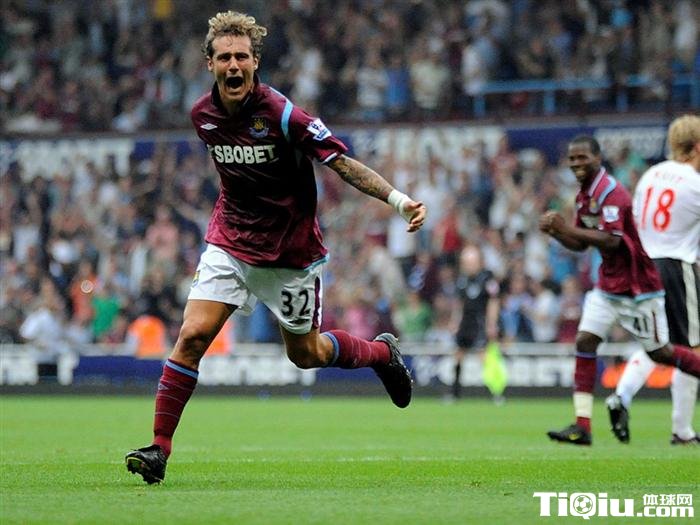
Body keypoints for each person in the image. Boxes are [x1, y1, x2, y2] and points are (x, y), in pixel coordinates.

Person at [125, 10, 427, 484]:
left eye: (242, 56)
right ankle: (159, 449)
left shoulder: (284, 114)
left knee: (306, 354)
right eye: (225, 57)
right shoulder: (202, 116)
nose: (234, 65)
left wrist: (398, 200)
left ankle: (380, 354)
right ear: (210, 64)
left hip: (290, 254)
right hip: (229, 242)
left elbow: (341, 162)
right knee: (192, 337)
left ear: (255, 61)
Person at [538, 135, 700, 446]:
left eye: (582, 157)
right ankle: (582, 426)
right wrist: (557, 233)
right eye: (572, 159)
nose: (576, 164)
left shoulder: (612, 192)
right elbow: (582, 243)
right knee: (585, 341)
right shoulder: (585, 195)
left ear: (598, 159)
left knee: (661, 352)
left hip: (638, 288)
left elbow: (612, 240)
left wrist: (565, 227)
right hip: (608, 286)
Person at [606, 115, 700, 445]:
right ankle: (682, 429)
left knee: (657, 344)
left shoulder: (651, 175)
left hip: (644, 266)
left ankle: (621, 395)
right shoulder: (693, 182)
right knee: (691, 347)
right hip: (676, 267)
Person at [451, 244, 500, 400]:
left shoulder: (487, 278)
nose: (468, 265)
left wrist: (491, 323)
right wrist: (455, 321)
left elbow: (493, 302)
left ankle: (495, 392)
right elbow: (459, 303)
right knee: (458, 355)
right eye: (466, 262)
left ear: (479, 262)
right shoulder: (462, 280)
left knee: (483, 356)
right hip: (466, 322)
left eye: (471, 262)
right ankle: (455, 393)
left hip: (480, 321)